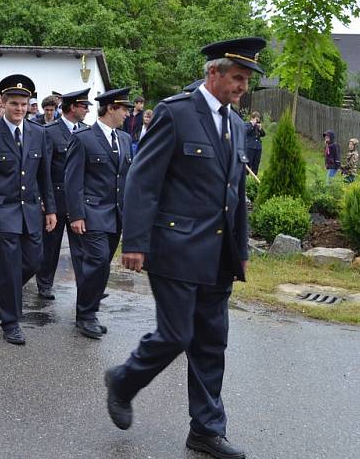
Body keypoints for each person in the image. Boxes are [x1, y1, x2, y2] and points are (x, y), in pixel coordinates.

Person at [105, 37, 266, 459]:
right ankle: (123, 381)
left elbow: (236, 191)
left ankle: (206, 430)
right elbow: (143, 179)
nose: (242, 87)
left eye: (247, 81)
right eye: (237, 77)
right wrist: (135, 241)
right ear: (214, 73)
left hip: (218, 255)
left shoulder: (235, 123)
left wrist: (242, 247)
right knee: (177, 335)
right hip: (175, 246)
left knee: (211, 342)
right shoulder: (177, 113)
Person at [0, 74, 57, 345]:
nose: (19, 109)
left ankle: (2, 291)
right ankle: (10, 322)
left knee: (34, 261)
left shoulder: (39, 133)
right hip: (2, 211)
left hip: (31, 211)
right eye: (13, 104)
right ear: (3, 105)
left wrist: (51, 210)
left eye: (24, 104)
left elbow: (45, 176)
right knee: (9, 267)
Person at [65, 87, 133, 339]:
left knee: (102, 266)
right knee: (96, 261)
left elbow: (126, 178)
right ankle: (86, 315)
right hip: (91, 212)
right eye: (124, 108)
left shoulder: (124, 139)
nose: (128, 113)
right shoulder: (84, 138)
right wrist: (76, 215)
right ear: (111, 108)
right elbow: (73, 179)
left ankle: (89, 310)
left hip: (115, 214)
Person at [35, 87, 90, 300]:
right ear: (73, 107)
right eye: (83, 106)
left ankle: (85, 287)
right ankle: (44, 283)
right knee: (50, 246)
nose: (86, 110)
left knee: (81, 248)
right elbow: (44, 169)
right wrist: (44, 200)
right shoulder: (50, 131)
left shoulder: (85, 130)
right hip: (55, 198)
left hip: (77, 200)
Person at [244, 111, 266, 175]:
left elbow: (263, 134)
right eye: (256, 119)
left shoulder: (258, 127)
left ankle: (254, 178)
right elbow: (246, 132)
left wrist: (260, 129)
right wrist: (252, 125)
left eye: (258, 119)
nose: (257, 121)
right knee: (247, 165)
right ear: (252, 118)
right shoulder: (247, 124)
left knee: (256, 165)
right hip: (250, 147)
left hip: (258, 148)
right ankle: (246, 179)